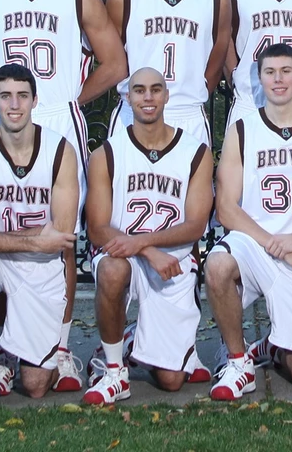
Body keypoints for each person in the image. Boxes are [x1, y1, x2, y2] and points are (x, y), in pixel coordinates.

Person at [0, 0, 127, 391]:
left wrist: (68, 100)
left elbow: (115, 64)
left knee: (62, 237)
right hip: (9, 119)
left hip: (57, 117)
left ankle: (59, 348)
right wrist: (6, 103)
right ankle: (3, 346)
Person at [206, 43, 292, 399]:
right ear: (259, 78)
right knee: (218, 264)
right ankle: (238, 362)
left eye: (286, 71)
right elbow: (226, 208)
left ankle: (272, 347)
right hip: (257, 247)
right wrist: (278, 246)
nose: (278, 79)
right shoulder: (242, 129)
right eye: (270, 72)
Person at [82, 67, 215, 405]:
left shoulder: (196, 152)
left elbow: (197, 225)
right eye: (139, 90)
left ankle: (129, 339)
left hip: (175, 260)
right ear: (127, 97)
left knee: (171, 382)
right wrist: (147, 250)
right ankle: (114, 371)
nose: (148, 97)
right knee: (111, 271)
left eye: (156, 90)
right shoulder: (106, 154)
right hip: (124, 256)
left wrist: (143, 243)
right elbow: (97, 228)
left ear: (167, 95)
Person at [0, 64, 80, 407]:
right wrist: (34, 239)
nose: (14, 105)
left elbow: (63, 233)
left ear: (35, 101)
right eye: (6, 96)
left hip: (41, 266)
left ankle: (33, 352)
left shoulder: (60, 151)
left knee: (37, 386)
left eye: (22, 96)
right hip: (0, 259)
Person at [106, 0, 230, 144]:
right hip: (133, 114)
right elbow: (112, 59)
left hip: (187, 113)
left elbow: (216, 60)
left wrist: (195, 90)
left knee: (192, 182)